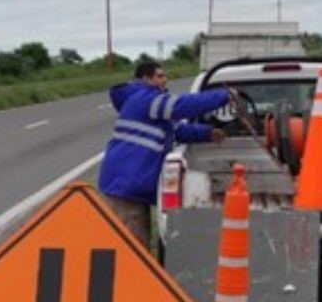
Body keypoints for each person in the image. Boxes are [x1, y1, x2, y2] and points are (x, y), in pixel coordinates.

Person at [99, 60, 231, 250]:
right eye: (160, 76)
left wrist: (207, 133)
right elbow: (181, 105)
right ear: (145, 79)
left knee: (135, 243)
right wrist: (222, 96)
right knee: (132, 249)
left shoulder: (146, 102)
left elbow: (177, 130)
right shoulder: (146, 99)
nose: (165, 81)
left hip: (128, 186)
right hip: (125, 188)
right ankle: (134, 279)